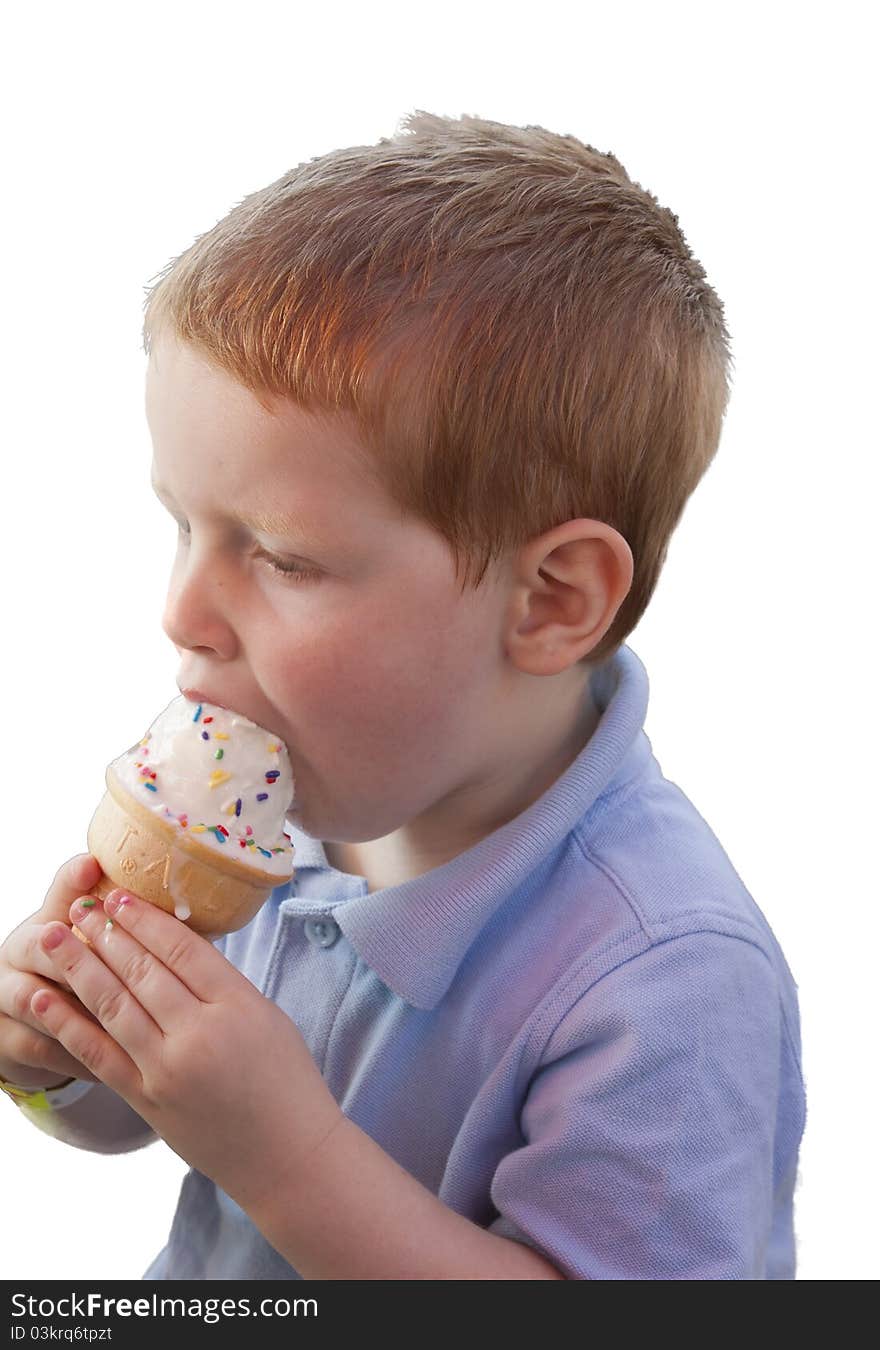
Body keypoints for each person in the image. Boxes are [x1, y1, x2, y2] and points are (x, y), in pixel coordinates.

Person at [0, 111, 806, 1279]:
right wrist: (63, 1048)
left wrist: (283, 1155)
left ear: (549, 600)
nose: (182, 611)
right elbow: (167, 1103)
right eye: (184, 525)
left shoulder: (667, 974)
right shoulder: (295, 817)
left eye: (282, 557)